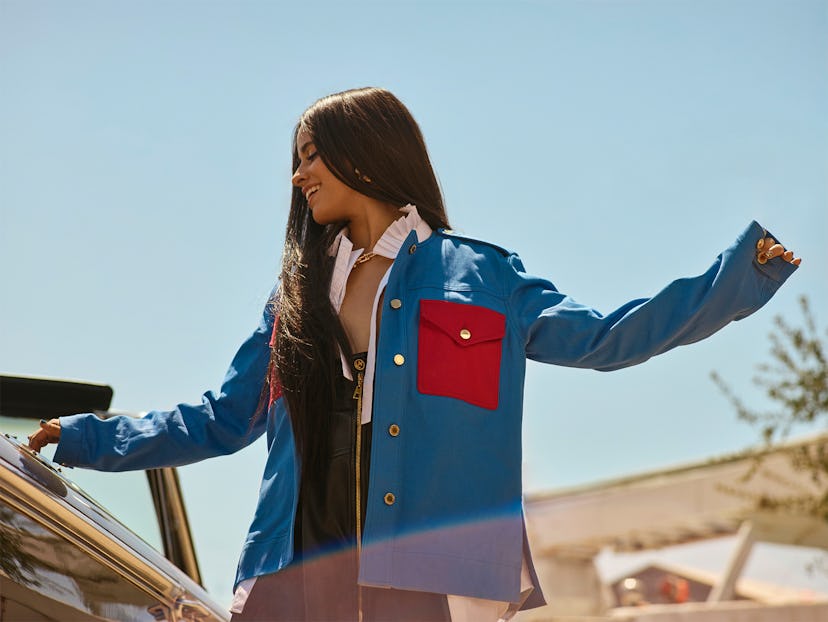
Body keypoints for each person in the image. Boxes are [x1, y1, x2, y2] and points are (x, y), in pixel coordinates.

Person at [28, 87, 802, 621]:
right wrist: (87, 436)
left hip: (415, 578)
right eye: (295, 160)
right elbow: (222, 420)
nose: (298, 176)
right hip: (295, 569)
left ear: (363, 152)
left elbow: (606, 336)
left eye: (311, 154)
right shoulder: (293, 297)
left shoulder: (482, 277)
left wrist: (740, 275)